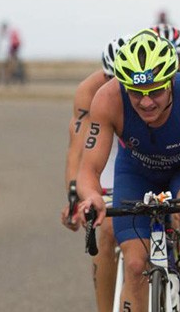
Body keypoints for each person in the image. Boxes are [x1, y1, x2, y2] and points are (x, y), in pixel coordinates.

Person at [75, 29, 180, 312]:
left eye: (155, 91)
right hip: (136, 171)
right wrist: (91, 196)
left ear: (171, 81)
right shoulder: (107, 98)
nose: (147, 102)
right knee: (136, 264)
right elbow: (88, 170)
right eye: (137, 93)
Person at [60, 35, 128, 312]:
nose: (117, 88)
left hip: (144, 144)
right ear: (104, 73)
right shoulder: (90, 91)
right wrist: (75, 200)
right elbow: (78, 150)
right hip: (109, 146)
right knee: (108, 230)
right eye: (111, 79)